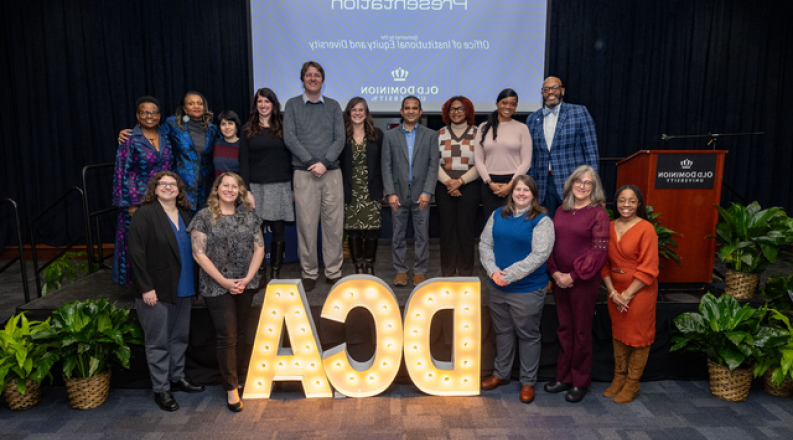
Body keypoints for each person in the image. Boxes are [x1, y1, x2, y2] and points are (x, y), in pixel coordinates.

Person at [128, 171, 205, 412]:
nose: (168, 187)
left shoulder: (185, 214)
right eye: (163, 184)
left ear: (179, 189)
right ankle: (161, 389)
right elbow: (136, 254)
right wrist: (146, 288)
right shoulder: (144, 214)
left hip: (184, 287)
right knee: (158, 342)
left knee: (179, 337)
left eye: (173, 184)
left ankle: (177, 377)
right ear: (155, 188)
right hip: (156, 290)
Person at [189, 172, 264, 412]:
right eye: (225, 185)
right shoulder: (203, 217)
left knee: (241, 332)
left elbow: (259, 249)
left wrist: (249, 278)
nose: (230, 189)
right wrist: (223, 281)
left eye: (235, 186)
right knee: (227, 335)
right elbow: (198, 253)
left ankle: (241, 376)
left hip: (246, 283)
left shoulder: (249, 216)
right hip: (216, 284)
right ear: (217, 188)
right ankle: (231, 388)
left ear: (240, 191)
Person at [479, 175, 554, 404]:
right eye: (518, 189)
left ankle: (528, 381)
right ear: (512, 192)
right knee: (502, 332)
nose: (521, 193)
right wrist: (493, 272)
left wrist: (508, 275)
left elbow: (539, 255)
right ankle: (501, 374)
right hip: (497, 287)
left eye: (526, 190)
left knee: (528, 335)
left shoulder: (541, 221)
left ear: (533, 194)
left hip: (527, 289)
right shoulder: (497, 215)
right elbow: (485, 244)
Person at [544, 165, 610, 403]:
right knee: (564, 330)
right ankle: (563, 377)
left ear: (594, 188)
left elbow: (598, 252)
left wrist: (573, 275)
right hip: (560, 280)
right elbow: (551, 243)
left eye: (587, 183)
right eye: (578, 181)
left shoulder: (598, 214)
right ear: (571, 184)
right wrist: (555, 272)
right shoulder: (562, 209)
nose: (582, 186)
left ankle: (580, 381)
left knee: (581, 332)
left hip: (582, 282)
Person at [283, 61, 346, 291]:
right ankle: (309, 272)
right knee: (306, 226)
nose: (312, 78)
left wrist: (325, 163)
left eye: (317, 75)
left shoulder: (333, 106)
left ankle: (333, 271)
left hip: (331, 173)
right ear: (302, 79)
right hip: (304, 173)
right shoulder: (291, 106)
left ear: (322, 79)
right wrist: (312, 163)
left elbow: (340, 138)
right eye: (308, 75)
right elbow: (289, 138)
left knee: (334, 225)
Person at [601, 185, 659, 404]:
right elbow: (603, 263)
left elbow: (649, 269)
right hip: (614, 291)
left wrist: (626, 295)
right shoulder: (608, 227)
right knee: (619, 335)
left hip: (639, 292)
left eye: (632, 201)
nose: (626, 205)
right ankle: (619, 379)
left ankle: (632, 383)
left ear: (639, 204)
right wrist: (613, 292)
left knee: (639, 339)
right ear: (615, 203)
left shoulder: (646, 229)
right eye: (622, 200)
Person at [119, 91, 220, 211]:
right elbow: (154, 133)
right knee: (184, 223)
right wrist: (134, 132)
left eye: (200, 103)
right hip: (181, 185)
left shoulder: (212, 129)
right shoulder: (173, 124)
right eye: (191, 103)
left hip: (206, 185)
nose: (196, 106)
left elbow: (223, 146)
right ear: (185, 108)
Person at [112, 97, 174, 286]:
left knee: (159, 242)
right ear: (138, 115)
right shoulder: (129, 139)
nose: (150, 116)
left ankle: (158, 281)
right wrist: (131, 204)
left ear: (159, 116)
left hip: (162, 199)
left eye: (154, 112)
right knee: (139, 245)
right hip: (138, 200)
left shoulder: (164, 136)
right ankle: (139, 284)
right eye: (145, 112)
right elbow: (122, 171)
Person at [381, 95, 440, 287]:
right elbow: (386, 166)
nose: (411, 111)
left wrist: (427, 191)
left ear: (421, 112)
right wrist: (390, 192)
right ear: (401, 111)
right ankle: (400, 270)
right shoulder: (390, 136)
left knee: (422, 236)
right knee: (398, 235)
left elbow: (433, 165)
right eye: (407, 108)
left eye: (415, 108)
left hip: (421, 195)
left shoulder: (431, 135)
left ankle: (420, 271)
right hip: (397, 195)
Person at [239, 88, 293, 280]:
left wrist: (293, 186)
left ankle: (275, 273)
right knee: (257, 232)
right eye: (259, 101)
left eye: (267, 101)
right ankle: (260, 273)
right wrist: (246, 190)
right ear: (256, 105)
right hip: (256, 187)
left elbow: (291, 157)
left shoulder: (284, 127)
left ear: (273, 104)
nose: (263, 105)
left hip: (280, 185)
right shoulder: (247, 129)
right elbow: (243, 161)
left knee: (278, 230)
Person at [526, 77, 599, 218]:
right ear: (542, 93)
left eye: (554, 87)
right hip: (542, 184)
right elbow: (531, 155)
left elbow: (591, 150)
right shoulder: (532, 119)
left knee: (573, 225)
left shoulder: (579, 113)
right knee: (546, 225)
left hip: (573, 182)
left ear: (562, 91)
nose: (550, 92)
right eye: (546, 89)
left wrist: (591, 183)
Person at [436, 96, 481, 277]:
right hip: (444, 186)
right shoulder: (438, 134)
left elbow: (481, 164)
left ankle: (465, 273)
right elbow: (433, 163)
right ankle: (447, 272)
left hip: (469, 186)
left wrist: (460, 182)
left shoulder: (478, 133)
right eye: (452, 109)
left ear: (467, 111)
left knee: (466, 231)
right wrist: (449, 182)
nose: (456, 112)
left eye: (460, 108)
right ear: (447, 112)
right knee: (447, 232)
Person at [339, 97, 383, 274]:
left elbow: (383, 162)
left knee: (372, 230)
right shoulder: (341, 135)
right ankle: (358, 266)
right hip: (350, 188)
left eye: (361, 110)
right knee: (354, 230)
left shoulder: (377, 134)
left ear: (366, 113)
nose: (357, 113)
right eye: (354, 110)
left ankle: (370, 265)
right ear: (349, 113)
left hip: (371, 187)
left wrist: (385, 187)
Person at [474, 88, 533, 220]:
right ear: (497, 104)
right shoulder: (483, 128)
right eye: (504, 103)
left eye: (512, 104)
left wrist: (511, 185)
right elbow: (478, 159)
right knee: (491, 223)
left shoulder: (522, 128)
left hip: (515, 183)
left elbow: (526, 161)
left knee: (514, 222)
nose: (508, 107)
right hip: (489, 184)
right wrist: (490, 183)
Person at [213, 110, 242, 178]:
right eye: (223, 124)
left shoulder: (243, 145)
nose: (227, 127)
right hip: (219, 187)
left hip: (238, 187)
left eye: (230, 123)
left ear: (236, 126)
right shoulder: (215, 144)